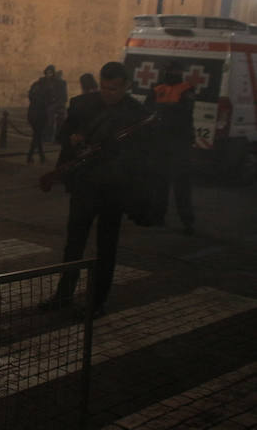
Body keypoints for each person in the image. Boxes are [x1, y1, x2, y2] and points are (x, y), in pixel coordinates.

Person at [39, 62, 149, 319]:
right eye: (103, 87)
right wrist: (73, 139)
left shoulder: (137, 115)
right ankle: (63, 295)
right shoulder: (83, 104)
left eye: (113, 89)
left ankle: (97, 302)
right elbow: (64, 134)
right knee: (73, 244)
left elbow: (142, 157)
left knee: (106, 248)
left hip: (114, 191)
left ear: (126, 86)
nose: (107, 93)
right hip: (85, 186)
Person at [145, 61, 196, 234]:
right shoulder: (156, 88)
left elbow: (184, 113)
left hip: (179, 144)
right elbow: (147, 111)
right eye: (170, 70)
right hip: (160, 142)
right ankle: (158, 216)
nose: (173, 73)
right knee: (159, 181)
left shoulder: (186, 89)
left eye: (176, 70)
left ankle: (187, 221)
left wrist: (163, 112)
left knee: (181, 184)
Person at [26, 68, 55, 163]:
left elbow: (30, 95)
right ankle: (30, 156)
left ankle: (41, 157)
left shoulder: (35, 84)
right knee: (37, 135)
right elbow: (51, 100)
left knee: (37, 135)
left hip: (32, 112)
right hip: (41, 113)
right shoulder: (48, 87)